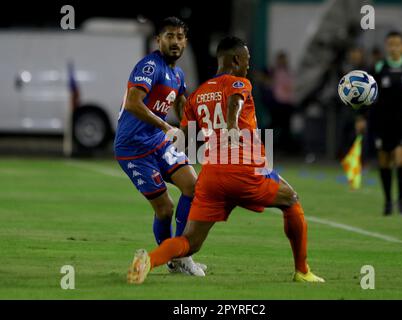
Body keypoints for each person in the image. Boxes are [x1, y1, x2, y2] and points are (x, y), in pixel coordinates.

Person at [126, 36, 324, 284]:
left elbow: (186, 138)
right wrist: (231, 127)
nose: (249, 66)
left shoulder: (197, 95)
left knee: (190, 242)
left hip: (211, 176)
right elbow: (235, 102)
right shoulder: (240, 83)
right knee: (291, 200)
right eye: (247, 60)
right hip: (244, 171)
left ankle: (149, 261)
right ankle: (302, 271)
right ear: (236, 59)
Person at [114, 17, 205, 276]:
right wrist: (167, 127)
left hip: (157, 142)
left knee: (193, 187)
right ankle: (172, 258)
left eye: (179, 36)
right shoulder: (149, 66)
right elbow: (133, 103)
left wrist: (196, 125)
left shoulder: (177, 73)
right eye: (169, 36)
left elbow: (180, 102)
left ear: (185, 41)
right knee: (165, 208)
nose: (175, 41)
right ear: (159, 40)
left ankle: (181, 255)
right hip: (133, 148)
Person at [356, 31, 402, 215]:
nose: (394, 47)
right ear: (387, 46)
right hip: (382, 121)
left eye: (397, 44)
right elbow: (367, 94)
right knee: (385, 162)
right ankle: (387, 201)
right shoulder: (378, 68)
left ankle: (401, 200)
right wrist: (362, 117)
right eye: (391, 44)